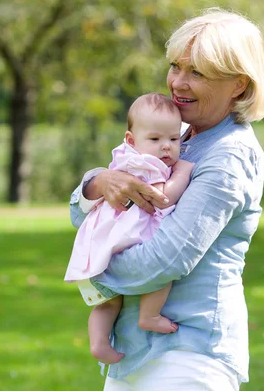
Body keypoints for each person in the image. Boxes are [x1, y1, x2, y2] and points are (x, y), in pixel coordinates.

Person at [69, 7, 264, 390]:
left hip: (187, 353)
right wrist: (98, 182)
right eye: (176, 66)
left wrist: (91, 265)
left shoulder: (229, 154)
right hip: (133, 351)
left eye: (197, 72)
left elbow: (164, 261)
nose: (178, 82)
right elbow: (83, 215)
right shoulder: (173, 137)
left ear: (239, 85)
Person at [65, 93, 195, 365]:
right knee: (162, 274)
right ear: (131, 140)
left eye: (173, 139)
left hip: (102, 244)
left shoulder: (126, 157)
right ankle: (149, 316)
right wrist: (182, 173)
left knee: (108, 303)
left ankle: (99, 343)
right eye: (156, 140)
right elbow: (162, 198)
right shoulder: (149, 165)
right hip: (127, 239)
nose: (167, 148)